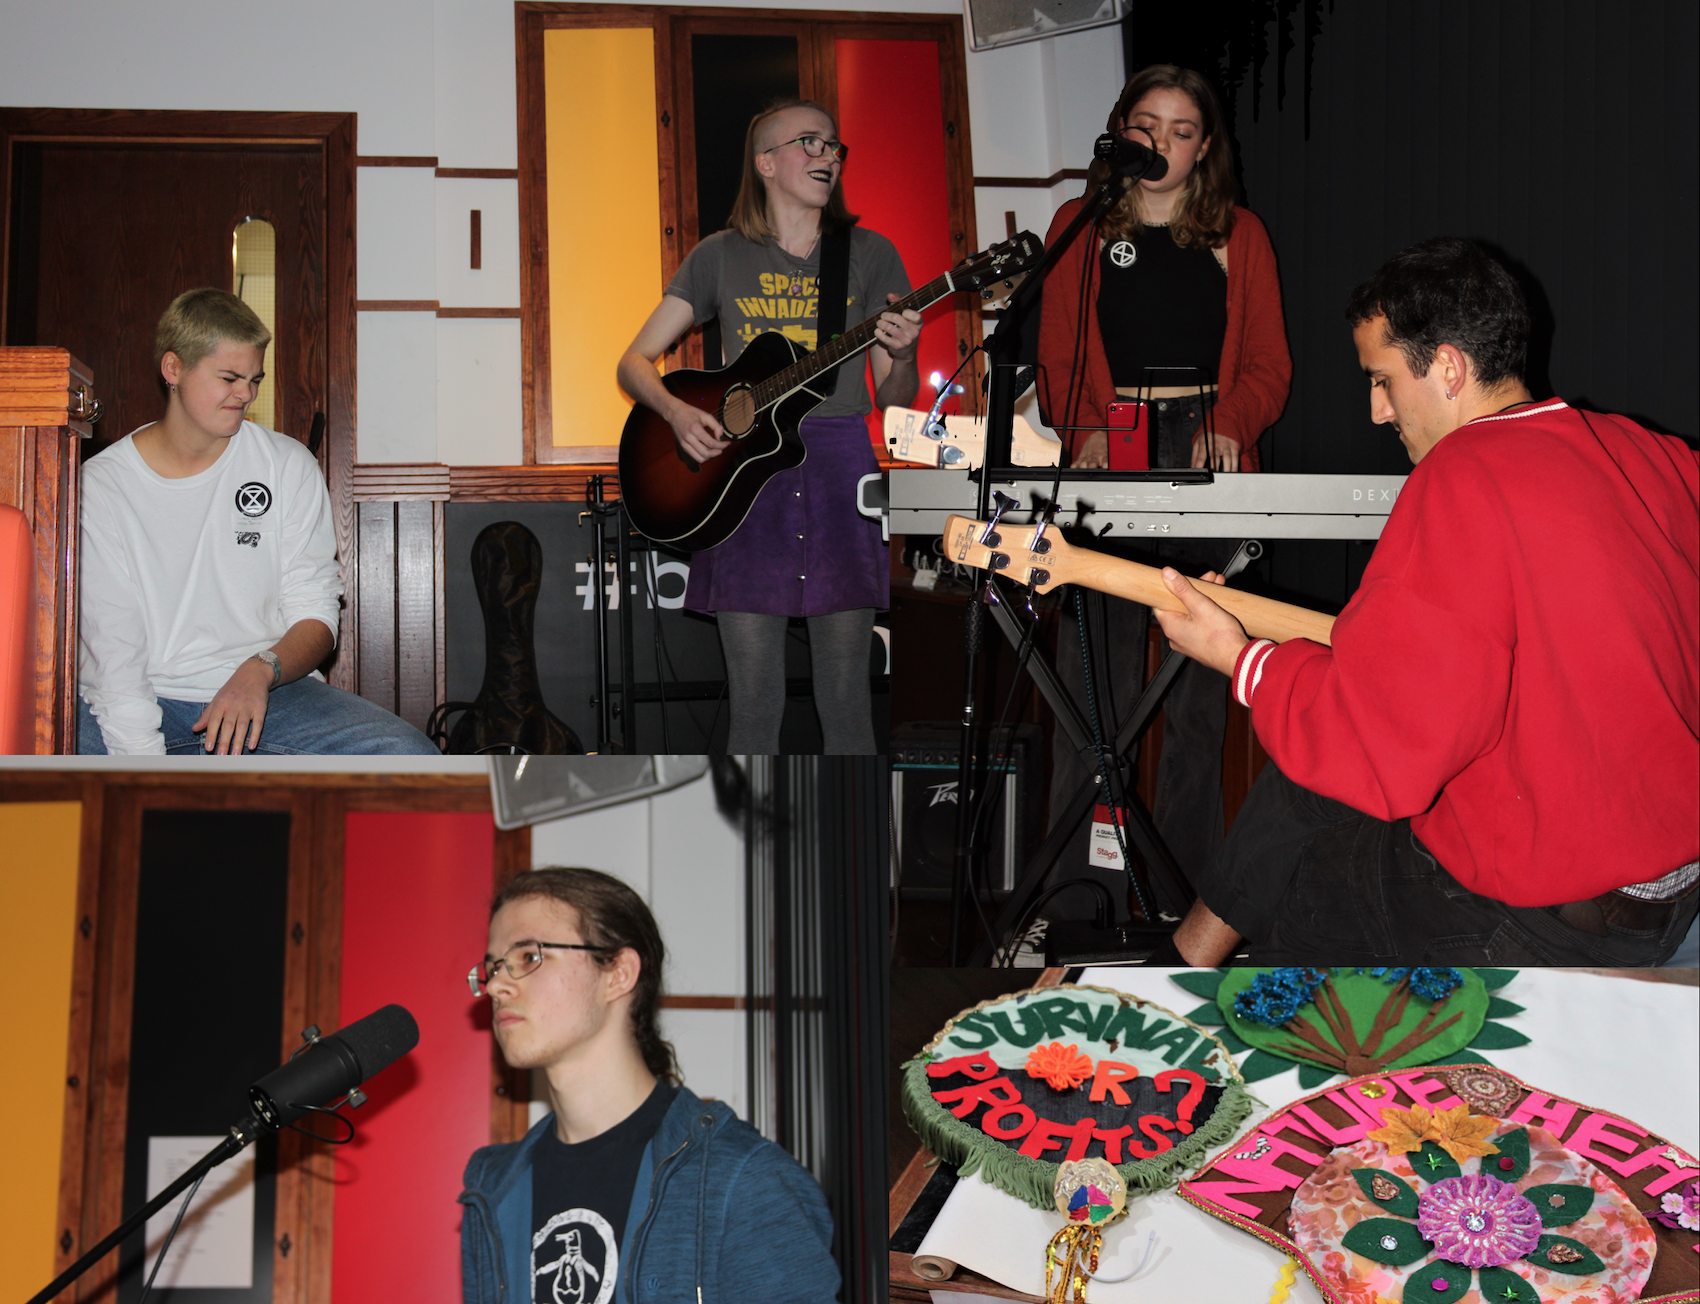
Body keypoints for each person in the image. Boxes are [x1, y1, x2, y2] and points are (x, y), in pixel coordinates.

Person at [1148, 237, 1699, 965]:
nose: (1377, 411)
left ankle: (1192, 1012)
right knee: (1312, 787)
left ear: (1447, 367)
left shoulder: (1461, 475)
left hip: (1548, 922)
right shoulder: (1649, 453)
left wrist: (1239, 658)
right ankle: (1175, 967)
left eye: (1381, 379)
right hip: (1672, 894)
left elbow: (1383, 750)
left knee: (1303, 880)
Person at [1033, 66, 1291, 917]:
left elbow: (1267, 366)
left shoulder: (1239, 233)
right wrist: (1089, 430)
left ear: (1205, 147)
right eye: (1148, 125)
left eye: (1183, 130)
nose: (1164, 143)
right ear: (1120, 130)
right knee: (1091, 688)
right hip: (1110, 449)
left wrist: (1236, 421)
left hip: (1205, 449)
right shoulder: (1077, 225)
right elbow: (1059, 358)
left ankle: (1183, 895)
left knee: (1196, 698)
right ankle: (1081, 894)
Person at [617, 98, 922, 754]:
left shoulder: (869, 253)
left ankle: (858, 846)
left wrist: (902, 354)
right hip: (742, 482)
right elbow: (635, 362)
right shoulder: (717, 256)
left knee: (846, 696)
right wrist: (677, 413)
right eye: (810, 142)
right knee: (755, 701)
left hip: (842, 470)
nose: (828, 155)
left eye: (835, 146)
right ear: (766, 163)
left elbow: (896, 402)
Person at [77, 288, 437, 755]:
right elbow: (114, 652)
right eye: (229, 377)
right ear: (174, 369)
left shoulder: (287, 464)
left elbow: (317, 612)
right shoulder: (101, 486)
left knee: (410, 757)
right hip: (137, 694)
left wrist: (260, 669)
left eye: (255, 379)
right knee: (41, 767)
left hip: (273, 692)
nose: (245, 393)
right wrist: (146, 772)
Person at [459, 867, 840, 1303]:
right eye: (492, 967)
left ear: (619, 972)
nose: (497, 985)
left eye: (528, 957)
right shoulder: (492, 1188)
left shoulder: (740, 1179)